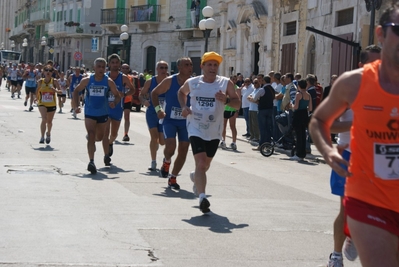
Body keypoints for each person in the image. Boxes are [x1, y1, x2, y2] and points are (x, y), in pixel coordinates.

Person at [309, 4, 399, 266]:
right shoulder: (354, 82)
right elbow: (319, 120)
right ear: (381, 34)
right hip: (369, 198)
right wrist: (327, 150)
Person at [324, 45, 381, 267]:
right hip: (348, 156)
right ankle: (336, 255)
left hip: (379, 160)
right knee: (346, 208)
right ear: (361, 66)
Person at [178, 51, 240, 213]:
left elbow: (237, 104)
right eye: (209, 64)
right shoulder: (193, 83)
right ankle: (202, 198)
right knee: (200, 162)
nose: (213, 68)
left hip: (215, 130)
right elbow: (181, 93)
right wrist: (184, 107)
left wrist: (226, 100)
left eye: (215, 65)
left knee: (205, 165)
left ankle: (195, 177)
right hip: (195, 127)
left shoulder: (225, 83)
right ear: (202, 66)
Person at [72, 57, 120, 174]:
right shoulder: (87, 80)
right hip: (89, 112)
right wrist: (76, 106)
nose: (101, 69)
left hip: (103, 112)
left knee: (99, 137)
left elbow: (117, 95)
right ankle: (91, 161)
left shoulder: (108, 81)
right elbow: (76, 91)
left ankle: (91, 140)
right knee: (91, 134)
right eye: (99, 66)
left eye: (103, 67)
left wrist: (114, 102)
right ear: (94, 68)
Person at [151, 57, 193, 189]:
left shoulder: (195, 82)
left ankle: (173, 177)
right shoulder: (170, 81)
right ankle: (167, 161)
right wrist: (159, 110)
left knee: (184, 149)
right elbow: (154, 93)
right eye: (186, 64)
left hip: (186, 121)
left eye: (191, 64)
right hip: (170, 119)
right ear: (179, 67)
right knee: (170, 147)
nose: (190, 67)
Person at [103, 54, 135, 165]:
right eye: (113, 62)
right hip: (106, 108)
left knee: (114, 134)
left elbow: (132, 90)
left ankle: (110, 143)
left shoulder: (123, 77)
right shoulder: (105, 76)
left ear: (119, 64)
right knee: (105, 133)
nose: (115, 64)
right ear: (109, 64)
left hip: (117, 108)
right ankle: (106, 155)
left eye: (117, 62)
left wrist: (124, 94)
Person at [139, 61, 169, 171]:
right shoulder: (150, 81)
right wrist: (144, 101)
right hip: (152, 112)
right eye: (161, 67)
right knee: (154, 137)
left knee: (162, 141)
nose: (164, 70)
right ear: (157, 69)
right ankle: (153, 162)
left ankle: (157, 149)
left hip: (164, 114)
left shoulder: (169, 81)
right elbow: (141, 94)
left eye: (165, 68)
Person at [36, 65, 62, 144]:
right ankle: (42, 137)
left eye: (50, 71)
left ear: (52, 73)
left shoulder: (54, 81)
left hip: (52, 104)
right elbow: (37, 90)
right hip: (42, 103)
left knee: (49, 122)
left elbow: (61, 91)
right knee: (44, 119)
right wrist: (36, 98)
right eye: (46, 70)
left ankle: (48, 133)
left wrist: (56, 91)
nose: (48, 72)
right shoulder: (40, 81)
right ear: (43, 72)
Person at [290, 79, 312, 161]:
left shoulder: (298, 94)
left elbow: (295, 106)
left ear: (299, 86)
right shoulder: (308, 95)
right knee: (303, 134)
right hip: (305, 114)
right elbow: (310, 108)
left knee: (298, 135)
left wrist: (291, 105)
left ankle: (298, 154)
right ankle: (303, 153)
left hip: (298, 114)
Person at [252, 75, 275, 150]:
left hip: (262, 110)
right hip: (270, 109)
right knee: (268, 128)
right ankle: (268, 144)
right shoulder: (272, 89)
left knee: (262, 128)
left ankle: (261, 144)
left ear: (264, 81)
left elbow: (255, 98)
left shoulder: (262, 89)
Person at [220, 75, 240, 150]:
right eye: (232, 79)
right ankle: (223, 141)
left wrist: (237, 111)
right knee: (223, 126)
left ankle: (234, 142)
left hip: (232, 109)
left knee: (232, 126)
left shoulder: (237, 88)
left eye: (235, 79)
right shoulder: (226, 87)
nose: (234, 81)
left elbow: (239, 100)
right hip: (225, 109)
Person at [121, 63, 137, 142]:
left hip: (127, 99)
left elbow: (133, 89)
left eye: (126, 68)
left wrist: (132, 98)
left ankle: (126, 134)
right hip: (118, 99)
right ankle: (113, 132)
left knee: (126, 117)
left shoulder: (131, 78)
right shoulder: (117, 77)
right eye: (123, 68)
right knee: (114, 117)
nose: (125, 70)